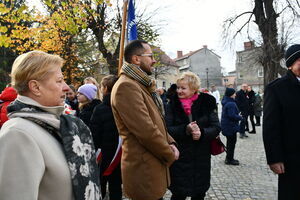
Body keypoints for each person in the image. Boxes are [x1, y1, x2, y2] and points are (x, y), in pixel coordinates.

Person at [0, 51, 101, 200]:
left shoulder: (57, 124)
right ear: (35, 87)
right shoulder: (17, 134)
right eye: (59, 81)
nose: (66, 87)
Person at [111, 39, 179, 200]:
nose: (154, 60)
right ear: (136, 59)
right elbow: (145, 130)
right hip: (144, 169)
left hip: (151, 165)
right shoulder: (126, 86)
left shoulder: (140, 84)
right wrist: (168, 153)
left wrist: (170, 142)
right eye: (150, 56)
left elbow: (156, 121)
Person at [165, 72, 221, 200]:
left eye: (183, 88)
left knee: (199, 193)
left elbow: (216, 127)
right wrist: (186, 129)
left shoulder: (207, 102)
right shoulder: (172, 104)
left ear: (194, 88)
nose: (179, 91)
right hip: (180, 157)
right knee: (178, 194)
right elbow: (167, 130)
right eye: (178, 87)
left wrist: (202, 133)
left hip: (201, 158)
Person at [263, 44, 300, 200]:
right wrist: (274, 158)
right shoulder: (277, 88)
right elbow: (271, 127)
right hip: (293, 158)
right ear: (291, 65)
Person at [90, 75, 122, 200]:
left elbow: (95, 133)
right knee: (116, 186)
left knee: (100, 183)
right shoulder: (123, 107)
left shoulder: (100, 109)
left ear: (105, 88)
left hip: (104, 154)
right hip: (119, 153)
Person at [221, 88, 243, 165]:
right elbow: (232, 115)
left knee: (230, 143)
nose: (235, 94)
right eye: (234, 93)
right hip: (230, 127)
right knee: (232, 143)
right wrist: (240, 117)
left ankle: (228, 158)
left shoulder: (226, 101)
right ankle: (230, 159)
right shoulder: (231, 103)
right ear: (231, 94)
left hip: (227, 126)